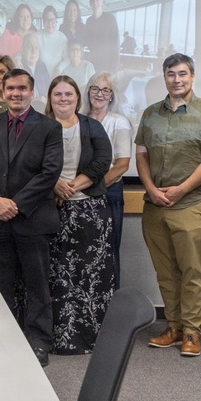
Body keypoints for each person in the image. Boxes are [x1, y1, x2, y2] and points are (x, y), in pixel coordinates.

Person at [135, 53, 201, 357]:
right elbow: (141, 155)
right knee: (166, 272)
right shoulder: (150, 114)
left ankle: (191, 332)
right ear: (164, 77)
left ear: (192, 76)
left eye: (182, 74)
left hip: (190, 203)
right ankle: (173, 327)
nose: (176, 79)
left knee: (192, 272)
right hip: (155, 205)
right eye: (170, 74)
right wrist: (151, 189)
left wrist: (180, 190)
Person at [0, 68, 63, 367]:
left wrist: (16, 204)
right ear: (2, 92)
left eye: (22, 88)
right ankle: (2, 337)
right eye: (10, 88)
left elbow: (50, 173)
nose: (15, 93)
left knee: (37, 286)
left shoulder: (49, 127)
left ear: (32, 92)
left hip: (33, 218)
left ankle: (39, 342)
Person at [45, 76, 113, 355]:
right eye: (57, 94)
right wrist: (54, 186)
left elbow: (102, 162)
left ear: (77, 98)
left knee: (89, 275)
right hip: (49, 210)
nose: (63, 98)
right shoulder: (40, 128)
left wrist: (69, 187)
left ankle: (87, 338)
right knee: (54, 275)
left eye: (68, 94)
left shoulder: (92, 126)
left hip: (88, 213)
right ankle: (55, 337)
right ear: (49, 98)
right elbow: (29, 163)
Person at [82, 72, 132, 289]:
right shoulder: (78, 118)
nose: (99, 94)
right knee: (81, 253)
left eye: (105, 90)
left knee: (106, 253)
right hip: (78, 195)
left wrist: (93, 188)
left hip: (107, 195)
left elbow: (122, 165)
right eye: (95, 89)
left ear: (112, 95)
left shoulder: (119, 122)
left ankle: (110, 312)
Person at [83, 0, 119, 74]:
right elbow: (87, 42)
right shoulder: (89, 21)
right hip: (94, 66)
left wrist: (113, 70)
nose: (95, 3)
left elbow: (116, 45)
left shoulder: (110, 19)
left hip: (109, 66)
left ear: (102, 1)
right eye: (92, 0)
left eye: (97, 0)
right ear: (90, 3)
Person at [17, 32, 51, 105]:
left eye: (36, 47)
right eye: (30, 47)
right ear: (22, 50)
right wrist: (35, 101)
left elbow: (49, 88)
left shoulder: (41, 65)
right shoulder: (18, 68)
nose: (33, 51)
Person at [36, 6, 68, 76]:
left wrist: (59, 69)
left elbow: (67, 58)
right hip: (40, 77)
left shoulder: (62, 37)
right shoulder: (37, 36)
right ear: (43, 21)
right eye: (47, 20)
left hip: (57, 76)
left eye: (52, 20)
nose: (50, 23)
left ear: (56, 21)